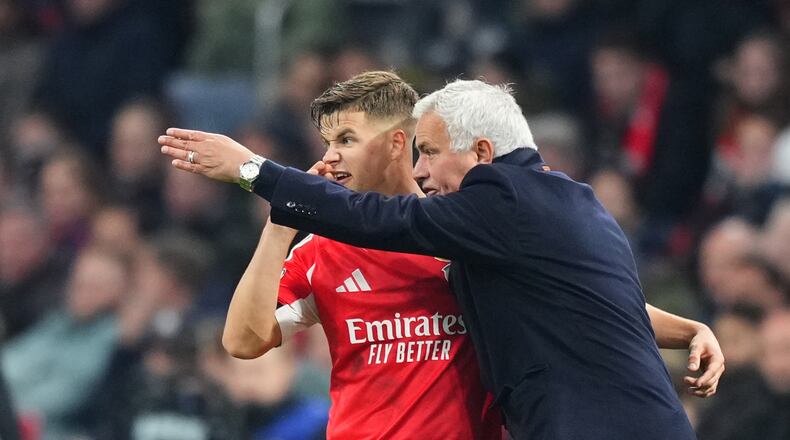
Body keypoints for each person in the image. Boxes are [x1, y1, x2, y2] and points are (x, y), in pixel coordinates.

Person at [159, 77, 724, 439]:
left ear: (397, 145)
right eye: (326, 144)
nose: (329, 159)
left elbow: (380, 220)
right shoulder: (529, 218)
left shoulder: (477, 223)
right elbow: (597, 305)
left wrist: (255, 172)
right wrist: (283, 226)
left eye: (347, 140)